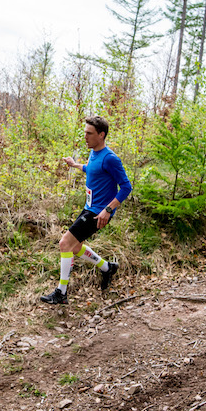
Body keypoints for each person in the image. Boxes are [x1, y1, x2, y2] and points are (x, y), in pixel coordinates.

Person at [40, 115, 132, 305]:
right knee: (75, 247)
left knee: (65, 244)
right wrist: (75, 165)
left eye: (89, 133)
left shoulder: (110, 159)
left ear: (101, 135)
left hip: (98, 212)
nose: (85, 137)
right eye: (85, 133)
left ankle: (61, 292)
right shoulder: (94, 153)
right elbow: (92, 169)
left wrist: (108, 210)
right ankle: (107, 268)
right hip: (89, 207)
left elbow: (126, 187)